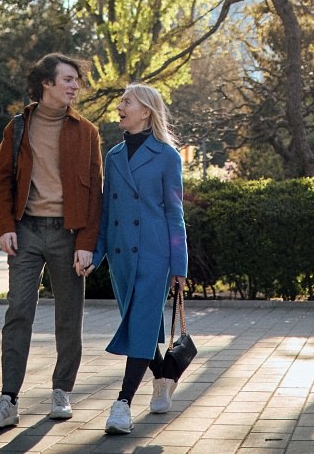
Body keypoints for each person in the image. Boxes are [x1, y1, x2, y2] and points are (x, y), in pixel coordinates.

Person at [0, 53, 103, 429]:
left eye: (76, 81)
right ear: (46, 83)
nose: (74, 86)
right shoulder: (17, 128)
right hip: (26, 231)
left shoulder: (87, 132)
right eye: (67, 79)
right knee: (18, 313)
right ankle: (8, 399)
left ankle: (62, 391)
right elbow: (0, 181)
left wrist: (87, 242)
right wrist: (4, 226)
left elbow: (95, 192)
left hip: (68, 234)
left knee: (69, 317)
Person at [91, 83, 189, 435]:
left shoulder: (167, 156)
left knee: (142, 323)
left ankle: (122, 404)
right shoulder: (114, 155)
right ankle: (164, 376)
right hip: (120, 256)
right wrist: (98, 251)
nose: (120, 106)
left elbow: (175, 213)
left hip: (154, 254)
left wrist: (180, 265)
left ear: (145, 111)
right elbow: (107, 210)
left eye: (126, 101)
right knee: (140, 328)